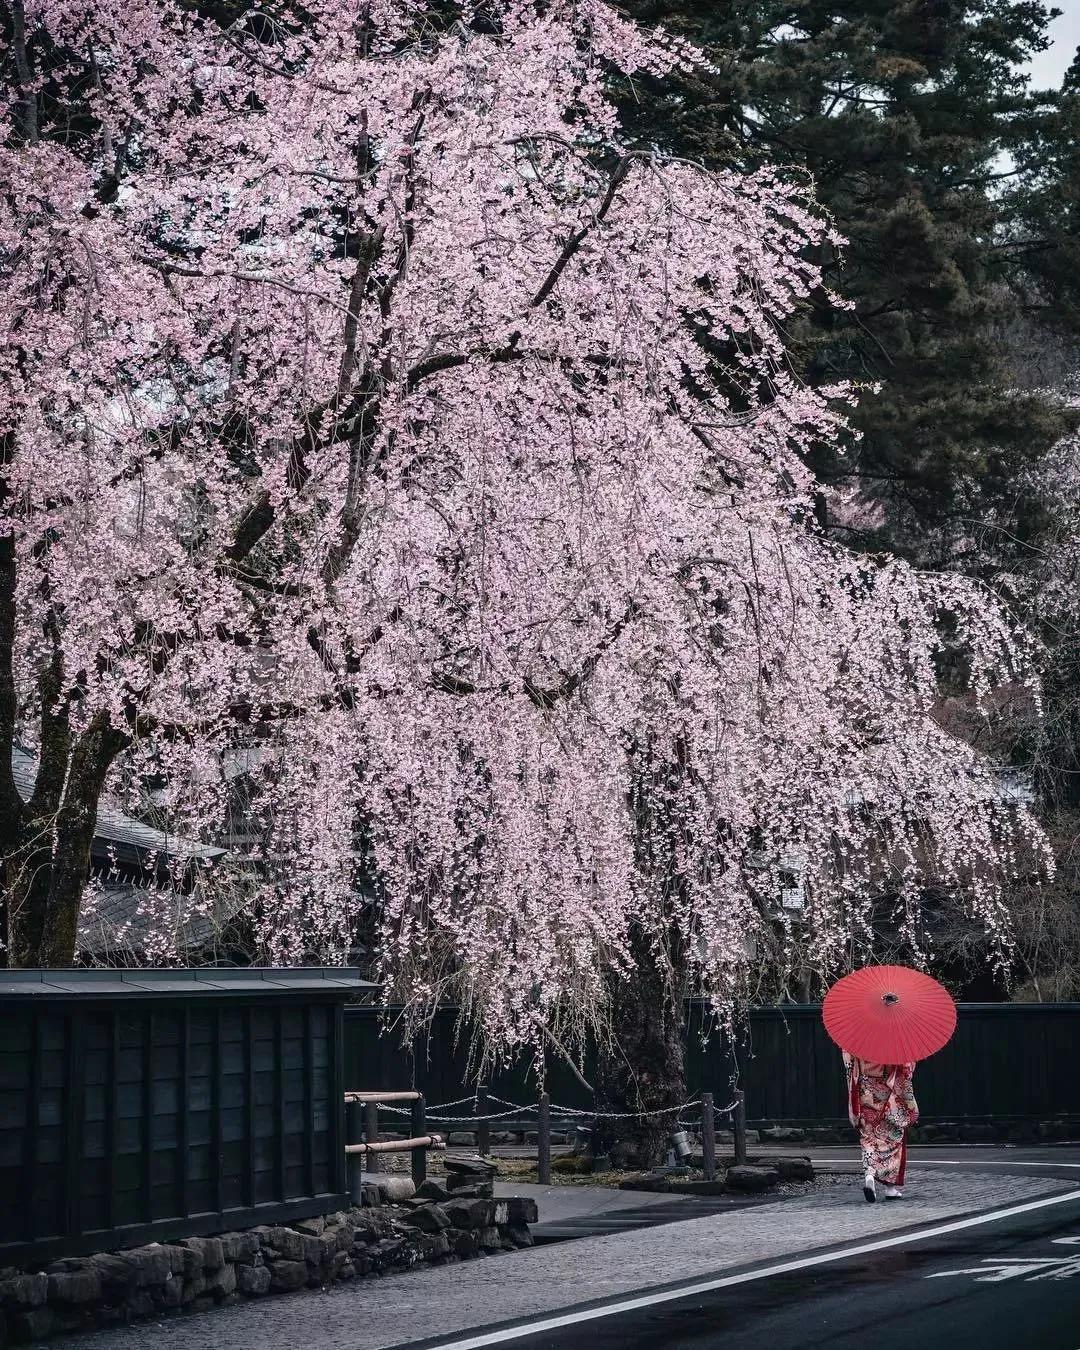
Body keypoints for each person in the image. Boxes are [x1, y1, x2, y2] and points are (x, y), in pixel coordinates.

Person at [843, 1051, 919, 1202]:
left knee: (868, 1135)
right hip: (890, 1089)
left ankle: (869, 1176)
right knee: (893, 1135)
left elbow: (849, 1062)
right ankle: (890, 1188)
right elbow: (906, 1066)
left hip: (866, 1089)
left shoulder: (859, 1036)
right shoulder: (895, 1036)